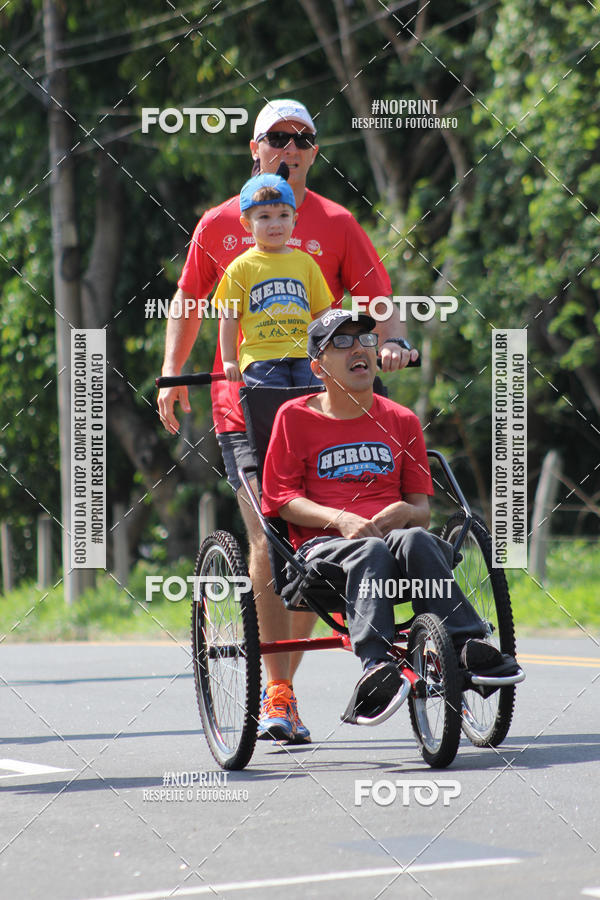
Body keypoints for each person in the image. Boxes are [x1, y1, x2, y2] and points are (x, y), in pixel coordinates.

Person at [158, 98, 418, 744]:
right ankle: (277, 691)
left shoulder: (335, 222)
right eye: (278, 137)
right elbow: (191, 302)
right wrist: (172, 371)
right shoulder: (219, 225)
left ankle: (315, 669)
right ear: (255, 148)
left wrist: (391, 342)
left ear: (314, 153)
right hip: (242, 406)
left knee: (319, 537)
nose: (291, 148)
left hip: (324, 411)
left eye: (303, 140)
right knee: (271, 535)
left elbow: (377, 297)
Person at [261, 310, 519, 728]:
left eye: (365, 339)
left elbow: (420, 510)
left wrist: (404, 512)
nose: (359, 348)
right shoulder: (294, 417)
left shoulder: (402, 420)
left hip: (396, 546)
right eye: (341, 343)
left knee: (416, 539)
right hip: (324, 553)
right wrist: (341, 520)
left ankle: (466, 645)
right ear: (318, 367)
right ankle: (376, 668)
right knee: (368, 548)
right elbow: (281, 499)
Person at [215, 170, 332, 387]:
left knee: (312, 410)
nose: (275, 224)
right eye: (264, 217)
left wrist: (326, 351)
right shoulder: (240, 267)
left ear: (295, 219)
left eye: (283, 216)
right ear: (247, 224)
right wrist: (229, 359)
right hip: (261, 357)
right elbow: (229, 317)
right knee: (272, 412)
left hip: (305, 354)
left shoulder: (306, 263)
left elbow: (323, 314)